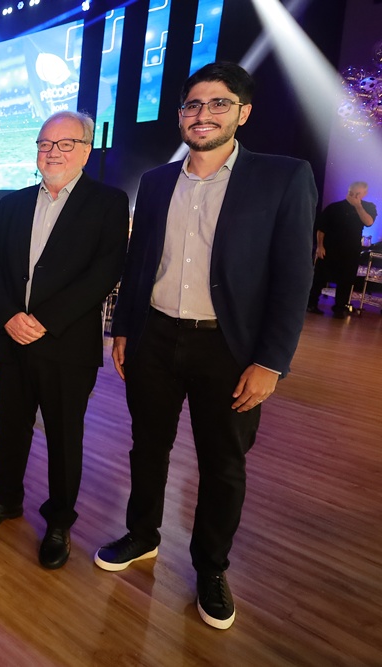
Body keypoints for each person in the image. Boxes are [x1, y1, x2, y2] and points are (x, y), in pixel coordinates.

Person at [95, 62, 317, 630]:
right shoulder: (156, 182)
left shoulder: (283, 177)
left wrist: (271, 362)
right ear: (180, 116)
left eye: (219, 104)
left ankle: (211, 568)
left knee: (222, 465)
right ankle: (142, 535)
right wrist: (123, 329)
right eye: (193, 104)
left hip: (230, 348)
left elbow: (294, 278)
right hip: (155, 336)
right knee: (148, 447)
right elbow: (140, 265)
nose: (204, 114)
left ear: (243, 113)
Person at [0, 111, 129, 570]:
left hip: (66, 345)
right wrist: (8, 317)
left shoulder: (108, 202)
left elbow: (105, 271)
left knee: (63, 436)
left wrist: (43, 320)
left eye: (64, 144)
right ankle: (7, 498)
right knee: (12, 427)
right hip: (13, 339)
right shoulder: (12, 204)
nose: (52, 152)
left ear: (86, 150)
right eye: (44, 144)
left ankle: (59, 521)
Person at [307, 181, 377, 317]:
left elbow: (369, 222)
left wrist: (358, 206)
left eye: (358, 194)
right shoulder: (334, 207)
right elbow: (321, 228)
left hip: (351, 251)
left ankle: (340, 308)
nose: (354, 196)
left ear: (364, 193)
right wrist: (320, 246)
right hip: (329, 248)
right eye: (351, 193)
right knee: (319, 277)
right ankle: (311, 303)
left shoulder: (368, 207)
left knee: (346, 280)